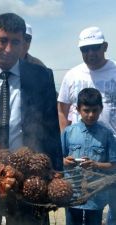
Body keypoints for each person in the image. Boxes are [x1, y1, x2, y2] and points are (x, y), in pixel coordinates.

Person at [0, 12, 63, 225]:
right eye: (3, 41)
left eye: (15, 42)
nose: (8, 49)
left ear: (23, 43)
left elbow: (51, 127)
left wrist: (56, 170)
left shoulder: (42, 77)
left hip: (28, 179)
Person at [57, 26, 116, 225]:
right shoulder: (72, 75)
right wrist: (66, 139)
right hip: (78, 151)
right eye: (85, 49)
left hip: (110, 152)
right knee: (74, 208)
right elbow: (62, 109)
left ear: (105, 46)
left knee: (108, 208)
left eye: (95, 48)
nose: (90, 53)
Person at [62, 88, 116, 225]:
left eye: (95, 110)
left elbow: (114, 165)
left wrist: (96, 165)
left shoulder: (107, 134)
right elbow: (57, 159)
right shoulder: (68, 132)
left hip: (96, 195)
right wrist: (65, 161)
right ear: (78, 109)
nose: (91, 115)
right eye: (86, 110)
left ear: (101, 109)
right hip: (72, 193)